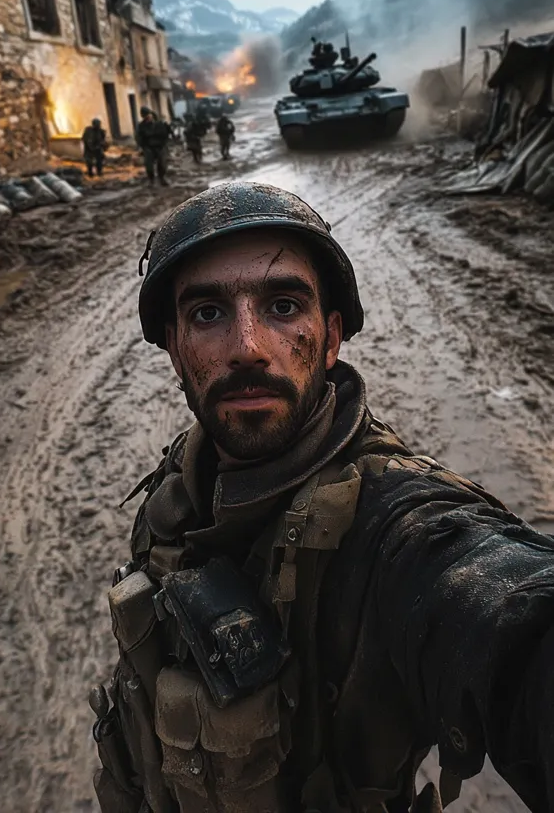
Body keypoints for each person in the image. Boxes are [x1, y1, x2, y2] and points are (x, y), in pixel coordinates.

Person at [90, 181, 554, 813]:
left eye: (283, 307)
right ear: (174, 347)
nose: (248, 347)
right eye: (207, 314)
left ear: (331, 338)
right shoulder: (179, 490)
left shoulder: (394, 525)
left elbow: (508, 614)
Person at [136, 106, 171, 186]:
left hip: (160, 146)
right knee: (149, 166)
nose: (148, 118)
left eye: (148, 115)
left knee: (162, 164)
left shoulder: (159, 124)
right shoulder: (142, 126)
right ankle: (151, 180)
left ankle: (162, 178)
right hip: (149, 147)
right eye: (145, 116)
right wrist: (142, 146)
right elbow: (139, 137)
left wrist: (164, 143)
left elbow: (166, 133)